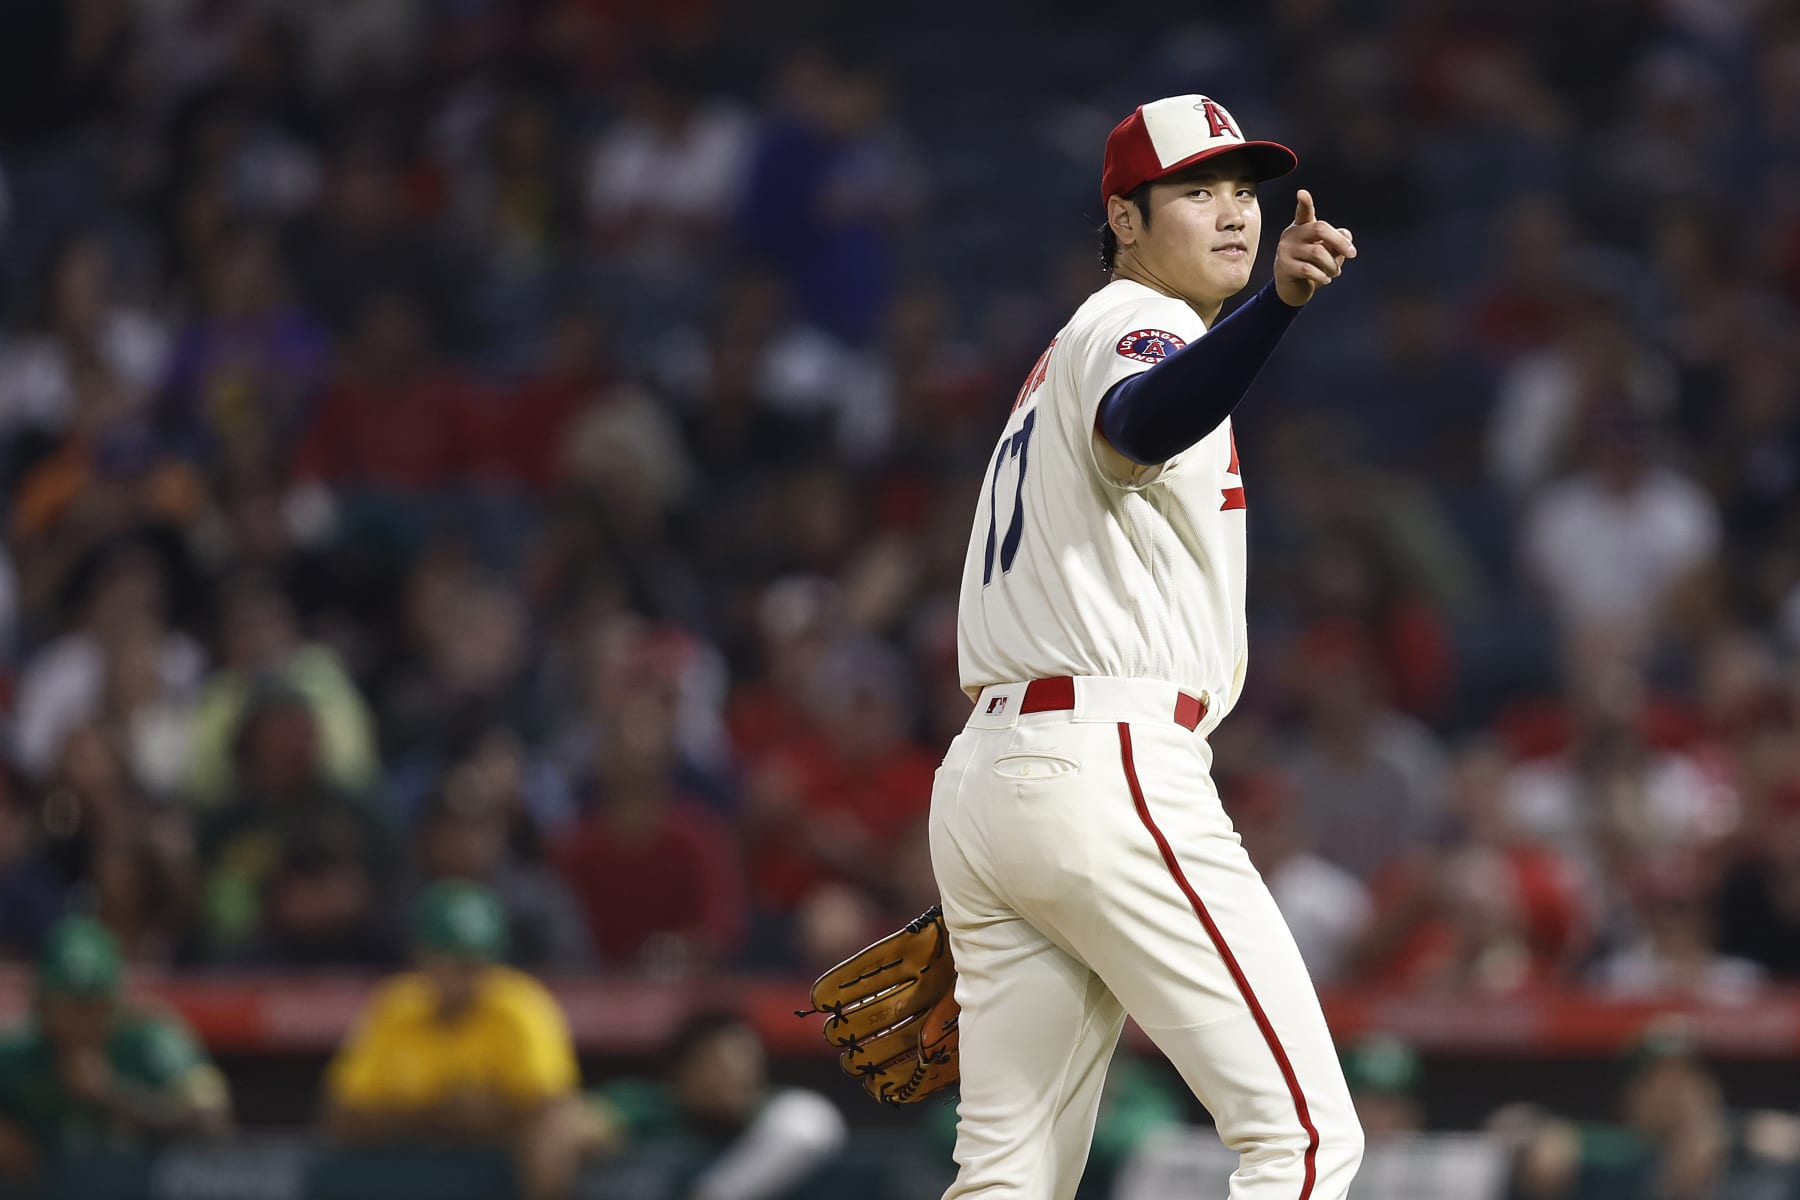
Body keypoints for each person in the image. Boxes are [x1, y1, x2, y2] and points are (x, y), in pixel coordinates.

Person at [930, 94, 1364, 1198]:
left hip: (995, 781)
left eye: (1243, 193)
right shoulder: (1141, 322)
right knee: (1304, 1142)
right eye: (1194, 192)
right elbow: (1140, 423)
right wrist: (1276, 309)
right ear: (1123, 217)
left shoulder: (1065, 357)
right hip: (1103, 759)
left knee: (1008, 1180)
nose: (1232, 215)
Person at [323, 881, 599, 1200]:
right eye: (454, 962)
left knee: (558, 1135)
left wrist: (420, 1116)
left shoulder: (519, 1005)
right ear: (423, 956)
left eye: (477, 962)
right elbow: (339, 1115)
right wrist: (442, 1114)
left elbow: (548, 1106)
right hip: (402, 1179)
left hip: (499, 1176)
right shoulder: (395, 1007)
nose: (467, 977)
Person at [0, 917, 230, 1180]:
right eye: (68, 1005)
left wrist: (110, 1092)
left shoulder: (154, 1040)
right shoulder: (18, 1049)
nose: (81, 1022)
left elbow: (214, 1124)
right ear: (42, 1004)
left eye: (92, 1005)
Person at [588, 1010, 847, 1200]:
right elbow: (572, 1125)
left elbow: (810, 1125)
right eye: (725, 1062)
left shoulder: (771, 1111)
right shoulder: (647, 1102)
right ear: (686, 1067)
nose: (743, 1075)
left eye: (751, 1061)